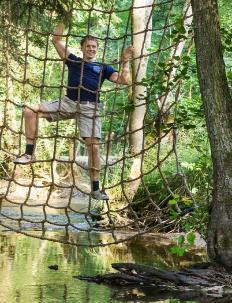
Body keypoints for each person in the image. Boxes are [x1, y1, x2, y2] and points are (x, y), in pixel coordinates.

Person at [14, 22, 133, 200]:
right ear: (82, 48)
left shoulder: (103, 68)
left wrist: (125, 60)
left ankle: (95, 189)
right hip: (68, 102)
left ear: (97, 49)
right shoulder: (74, 61)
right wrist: (64, 17)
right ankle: (29, 154)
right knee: (30, 110)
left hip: (90, 108)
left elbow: (125, 81)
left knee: (93, 147)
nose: (91, 49)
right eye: (88, 46)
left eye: (94, 47)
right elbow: (56, 40)